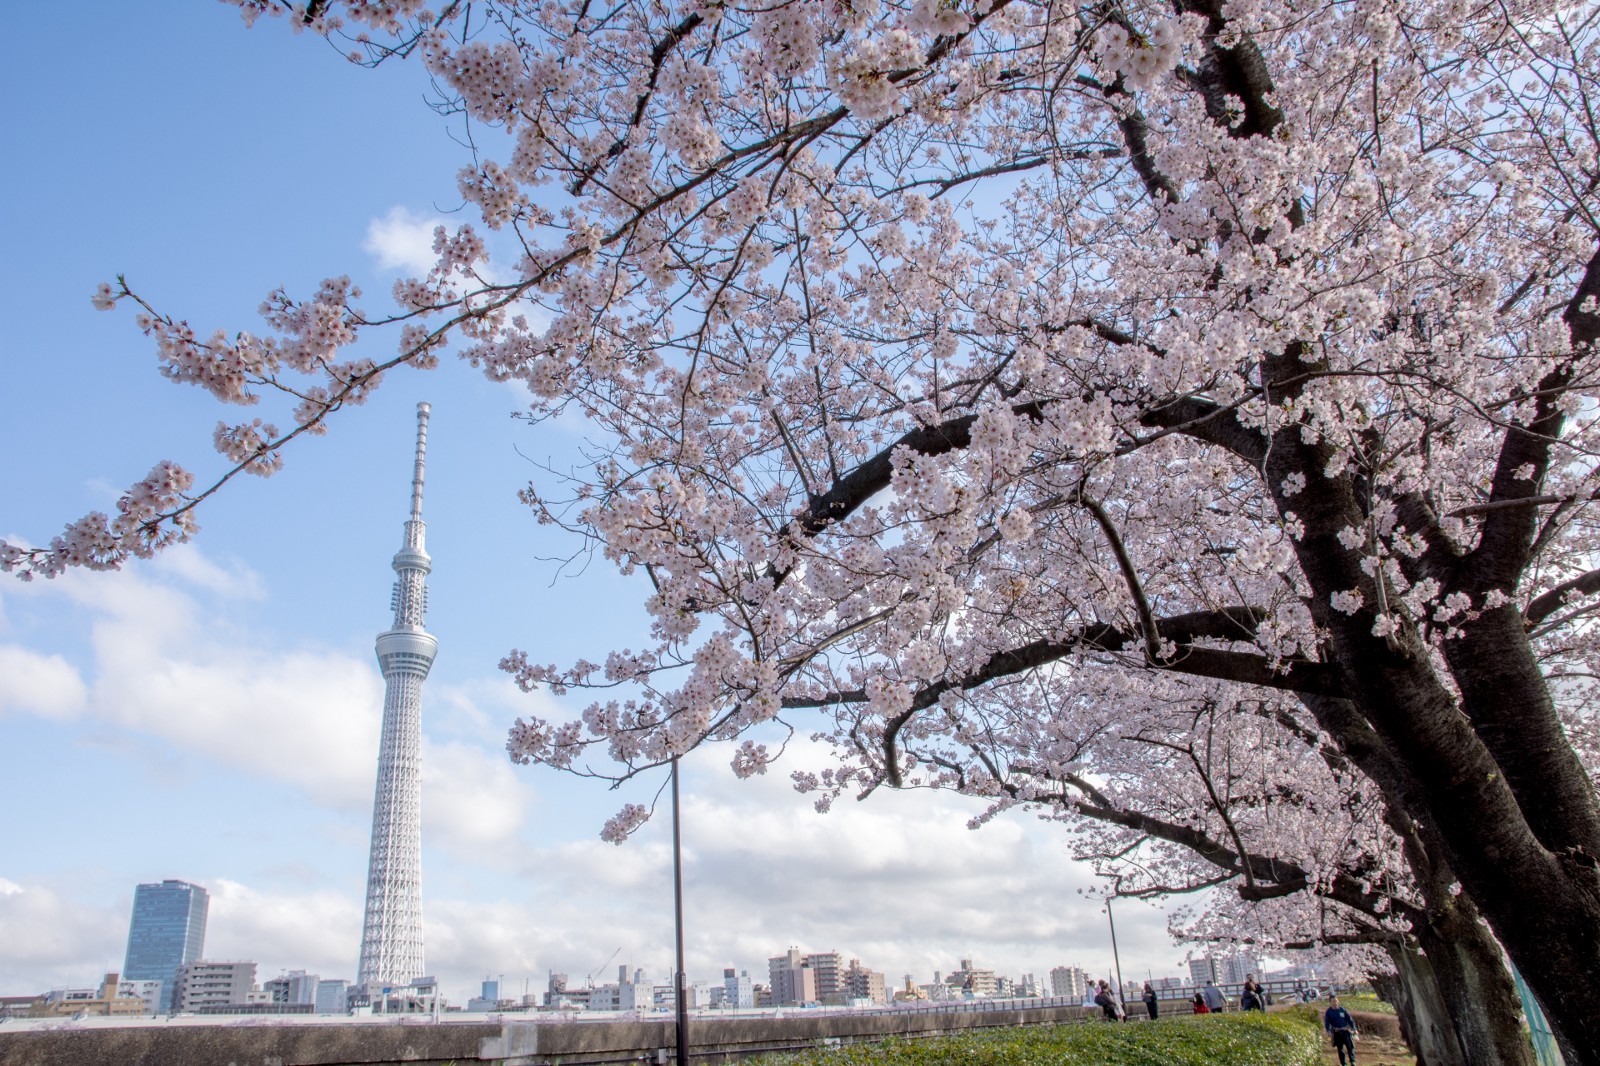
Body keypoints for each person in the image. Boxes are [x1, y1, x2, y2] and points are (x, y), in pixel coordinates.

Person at [1324, 995, 1359, 1065]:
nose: (1335, 1002)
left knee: (1350, 1047)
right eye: (1333, 1001)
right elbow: (1327, 1023)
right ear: (1330, 1002)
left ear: (1338, 1001)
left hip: (1346, 1031)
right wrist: (1328, 1031)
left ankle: (1353, 1061)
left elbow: (1350, 1020)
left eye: (1336, 1001)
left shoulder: (1342, 1010)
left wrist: (1354, 1029)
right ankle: (1343, 1064)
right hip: (1337, 1033)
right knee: (1340, 1049)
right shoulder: (1328, 1012)